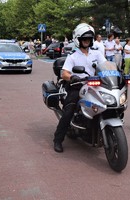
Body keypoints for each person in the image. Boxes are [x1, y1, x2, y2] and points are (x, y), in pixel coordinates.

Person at [53, 23, 106, 153]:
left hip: (94, 86)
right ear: (78, 40)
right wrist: (72, 78)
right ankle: (58, 140)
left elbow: (106, 65)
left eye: (88, 38)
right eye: (84, 39)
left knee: (108, 104)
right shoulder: (73, 56)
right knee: (69, 111)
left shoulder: (97, 54)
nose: (87, 41)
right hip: (76, 86)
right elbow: (64, 73)